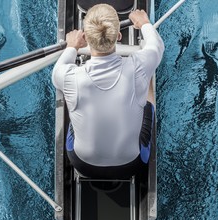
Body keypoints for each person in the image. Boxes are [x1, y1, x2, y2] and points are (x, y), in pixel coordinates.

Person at [52, 4, 164, 179]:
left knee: (71, 96)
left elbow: (58, 69)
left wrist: (72, 47)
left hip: (82, 164)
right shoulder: (139, 66)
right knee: (147, 80)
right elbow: (156, 46)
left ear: (86, 39)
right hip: (132, 165)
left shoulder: (67, 76)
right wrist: (144, 24)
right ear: (118, 36)